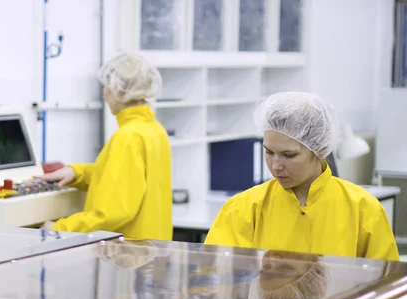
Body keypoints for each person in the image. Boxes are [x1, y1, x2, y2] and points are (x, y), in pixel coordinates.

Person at [204, 92, 399, 261]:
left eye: (289, 155)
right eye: (269, 152)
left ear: (320, 149)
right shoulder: (243, 210)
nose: (276, 165)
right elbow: (216, 278)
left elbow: (385, 287)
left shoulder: (363, 211)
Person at [39, 52, 172, 241]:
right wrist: (77, 173)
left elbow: (113, 213)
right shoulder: (154, 130)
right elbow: (123, 178)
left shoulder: (128, 137)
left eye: (105, 86)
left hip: (128, 257)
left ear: (117, 90)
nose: (104, 93)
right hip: (151, 250)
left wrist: (61, 228)